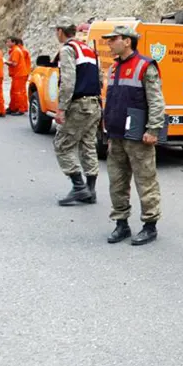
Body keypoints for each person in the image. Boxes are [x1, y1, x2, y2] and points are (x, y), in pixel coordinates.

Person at [102, 24, 165, 246]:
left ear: (127, 41)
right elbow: (111, 101)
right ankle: (121, 224)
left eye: (113, 39)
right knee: (117, 182)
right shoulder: (113, 68)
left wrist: (153, 129)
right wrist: (108, 132)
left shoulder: (145, 66)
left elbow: (156, 101)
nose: (109, 43)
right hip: (117, 135)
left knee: (145, 181)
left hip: (138, 137)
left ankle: (150, 226)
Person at [52, 20, 103, 206]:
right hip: (94, 104)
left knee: (62, 144)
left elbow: (67, 81)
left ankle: (79, 187)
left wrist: (62, 108)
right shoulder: (89, 49)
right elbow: (100, 78)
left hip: (79, 105)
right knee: (88, 144)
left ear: (60, 31)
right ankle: (91, 189)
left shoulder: (68, 50)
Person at [5, 37, 28, 115]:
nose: (7, 44)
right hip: (18, 74)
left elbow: (14, 63)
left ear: (13, 42)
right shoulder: (16, 50)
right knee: (15, 92)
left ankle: (20, 109)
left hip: (19, 74)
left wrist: (5, 62)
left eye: (8, 42)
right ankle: (14, 107)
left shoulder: (16, 51)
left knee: (18, 92)